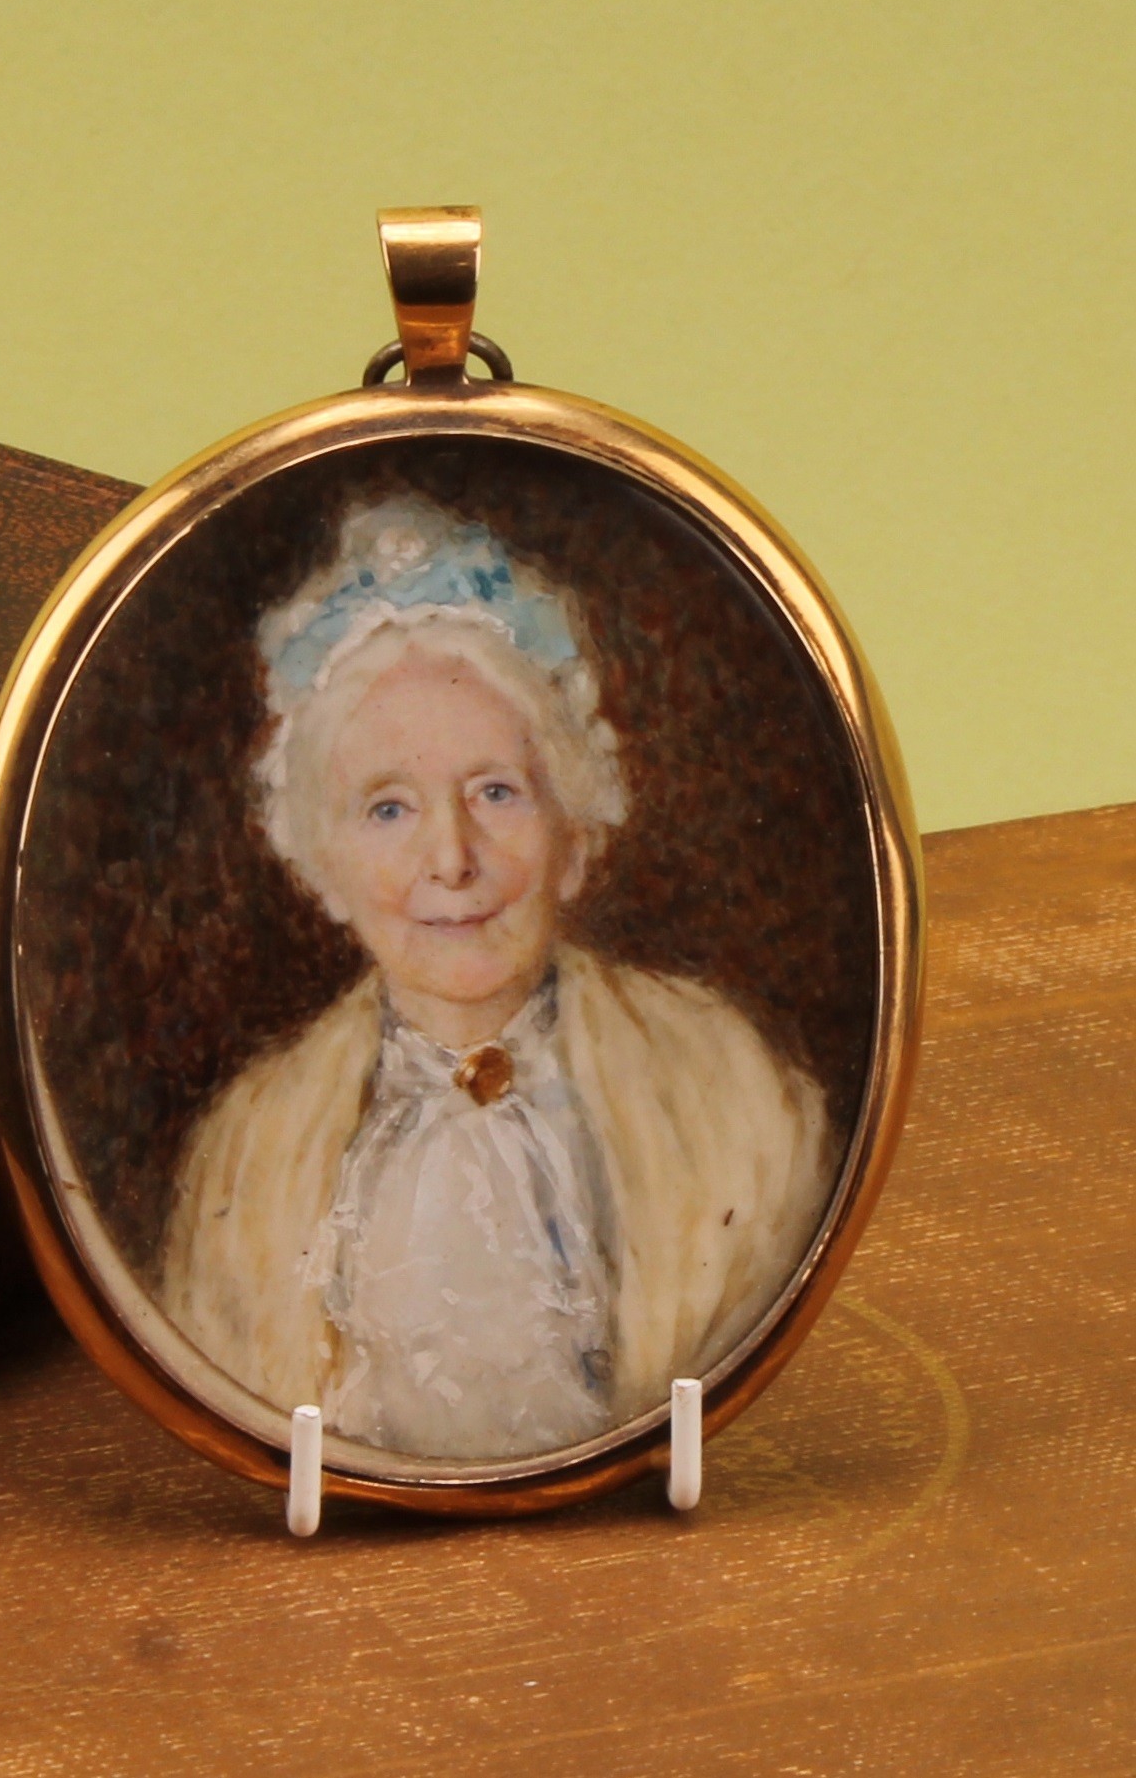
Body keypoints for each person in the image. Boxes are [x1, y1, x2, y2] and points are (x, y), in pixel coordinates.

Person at [159, 496, 833, 1461]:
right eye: (388, 808)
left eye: (495, 792)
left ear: (573, 830)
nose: (451, 858)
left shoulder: (733, 1086)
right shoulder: (247, 1149)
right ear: (324, 866)